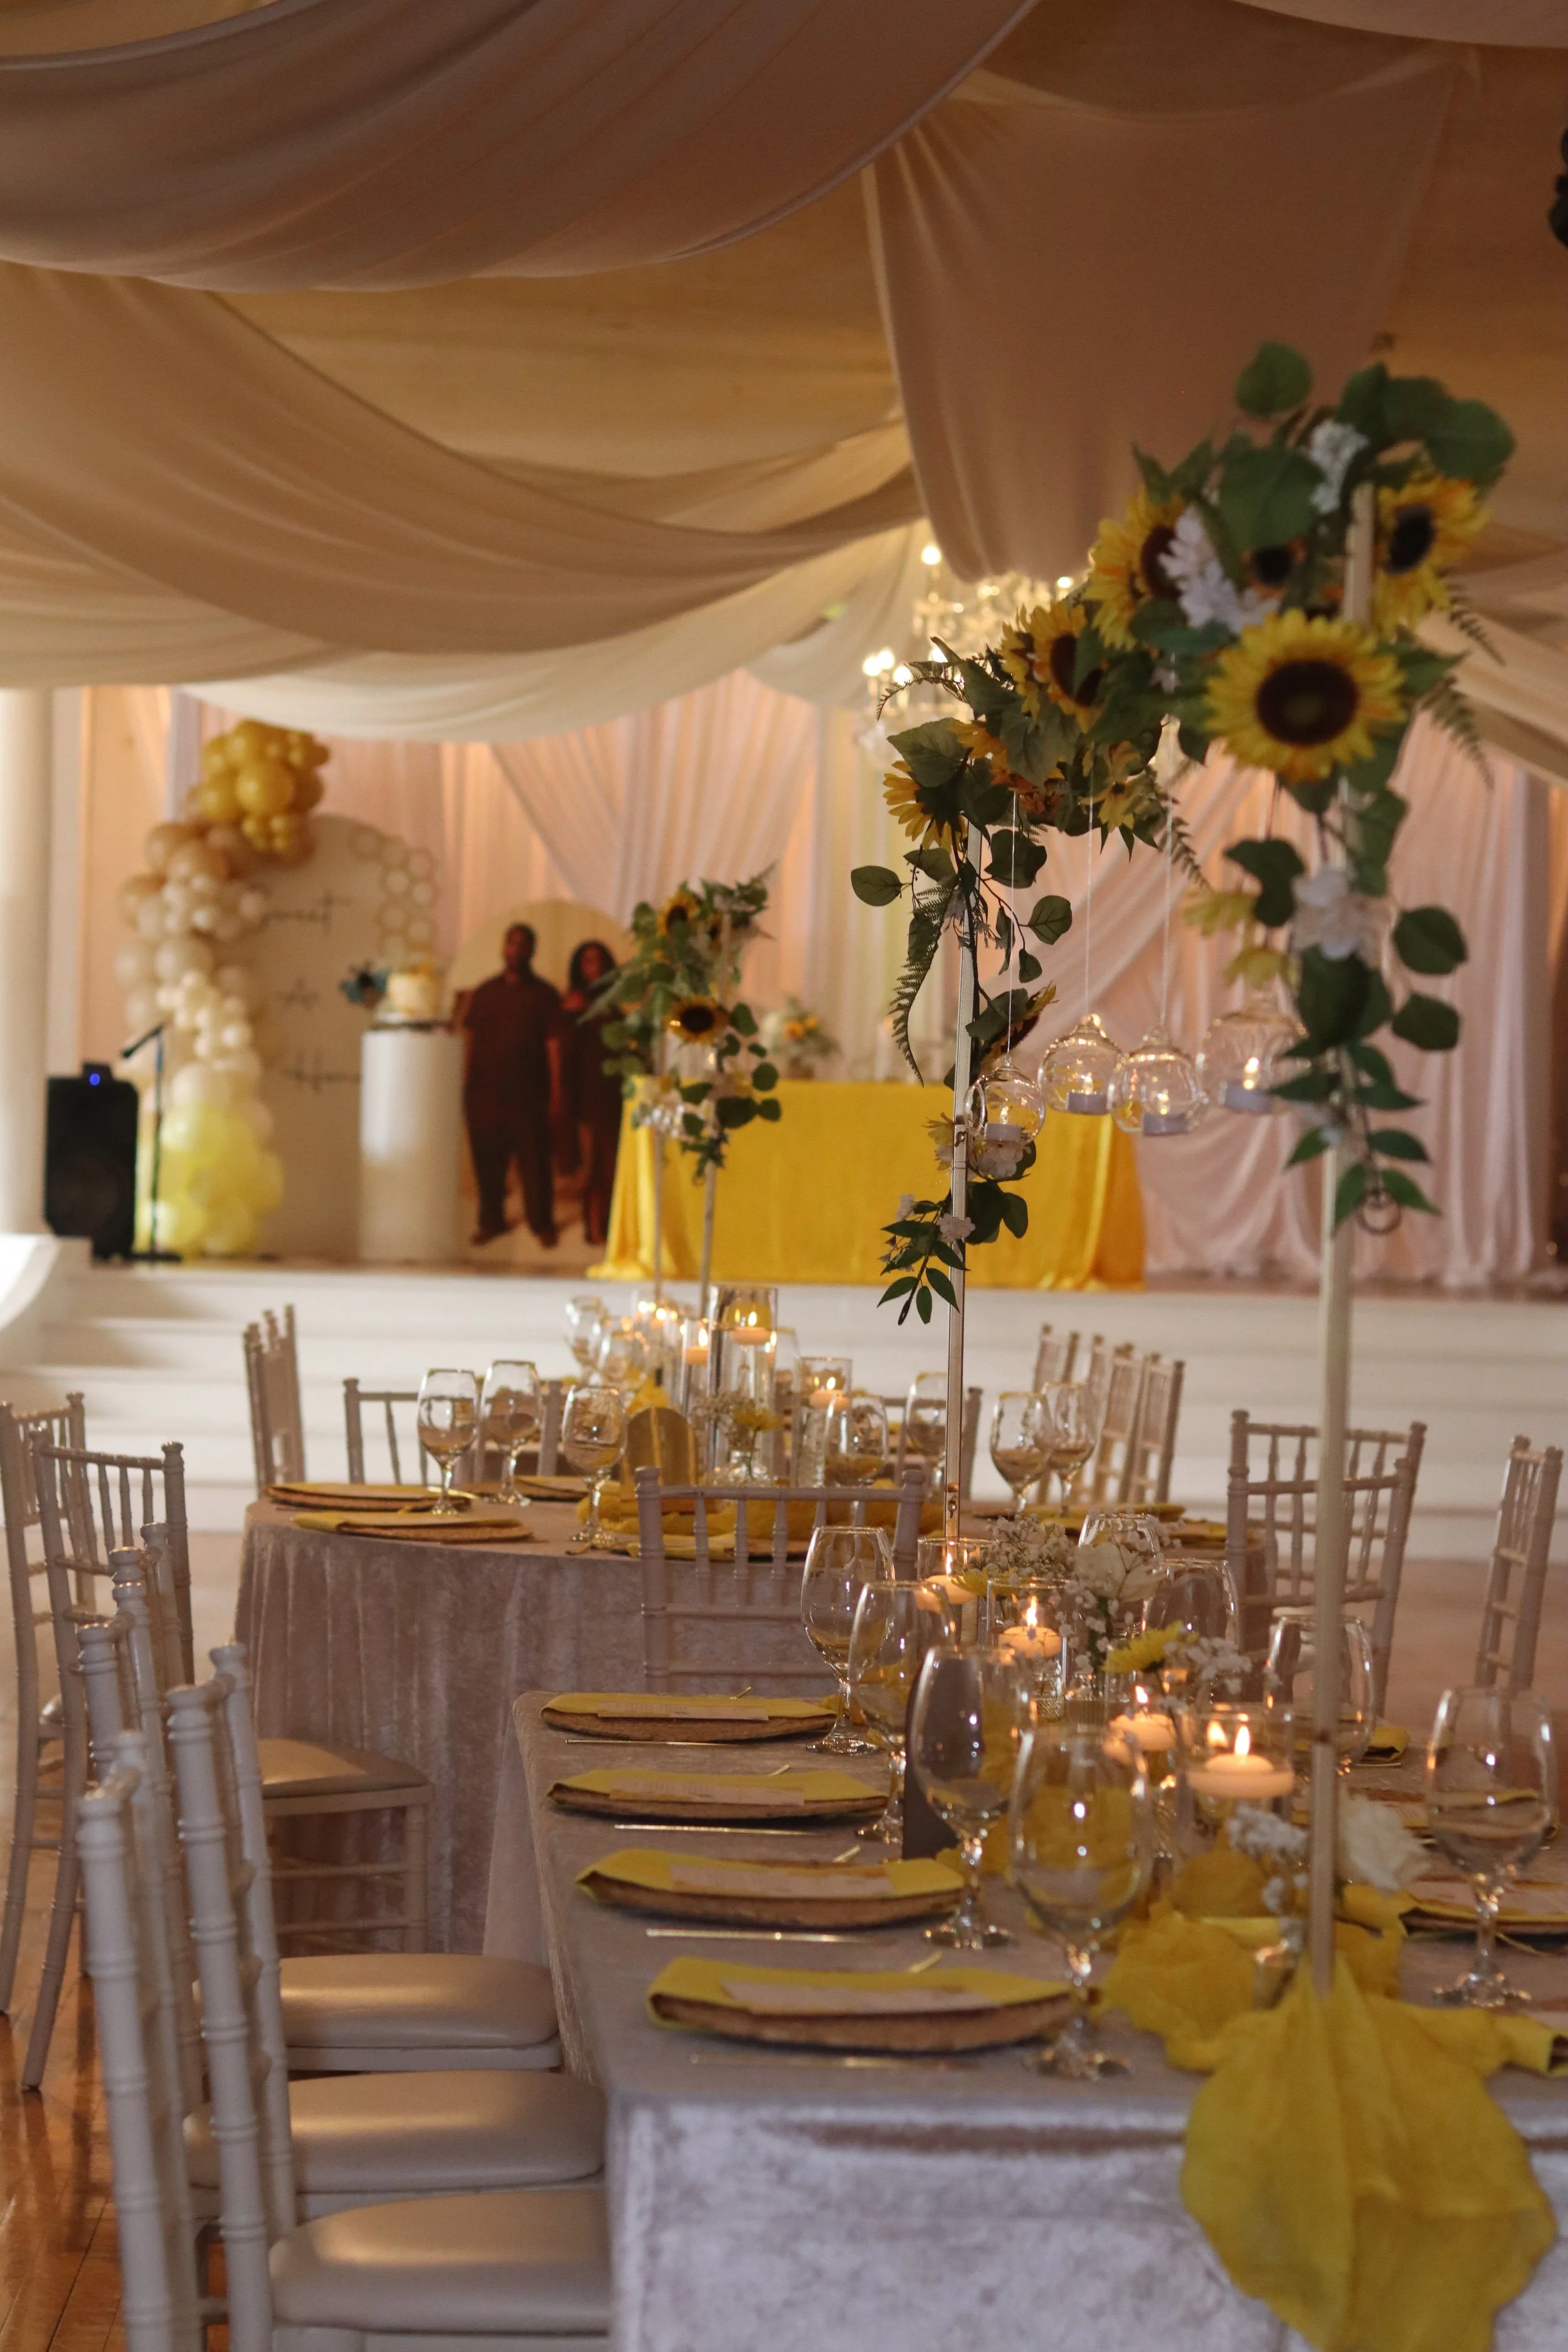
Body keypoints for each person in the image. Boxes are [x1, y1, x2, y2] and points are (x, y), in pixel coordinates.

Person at [460, 923, 563, 1246]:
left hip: (529, 1098)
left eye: (523, 945)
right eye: (511, 944)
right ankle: (492, 1222)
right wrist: (464, 1089)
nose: (516, 950)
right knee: (487, 1164)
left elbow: (553, 1048)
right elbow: (470, 1042)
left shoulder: (546, 995)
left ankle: (541, 1224)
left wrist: (557, 1096)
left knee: (535, 1166)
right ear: (503, 948)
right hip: (484, 1097)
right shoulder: (485, 992)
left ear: (533, 950)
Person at [561, 940, 623, 1248]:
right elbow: (564, 1055)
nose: (592, 968)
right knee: (593, 1168)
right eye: (586, 962)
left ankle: (608, 1230)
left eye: (597, 961)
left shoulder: (613, 1006)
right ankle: (594, 1229)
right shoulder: (574, 1005)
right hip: (585, 1097)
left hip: (612, 1095)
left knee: (611, 1167)